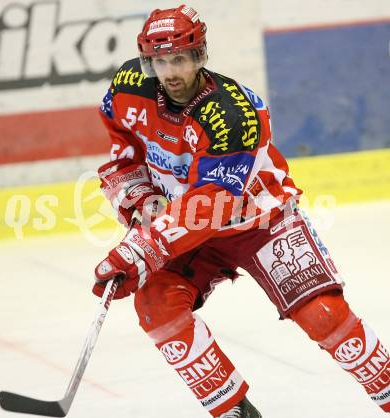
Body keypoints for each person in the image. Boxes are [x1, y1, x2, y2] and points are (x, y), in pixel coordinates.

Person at [92, 5, 390, 417]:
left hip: (260, 220)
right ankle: (235, 412)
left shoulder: (231, 114)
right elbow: (123, 154)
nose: (170, 71)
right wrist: (142, 201)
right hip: (183, 223)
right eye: (159, 61)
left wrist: (142, 248)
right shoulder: (128, 87)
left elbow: (213, 203)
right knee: (155, 302)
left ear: (200, 56)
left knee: (324, 315)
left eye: (179, 58)